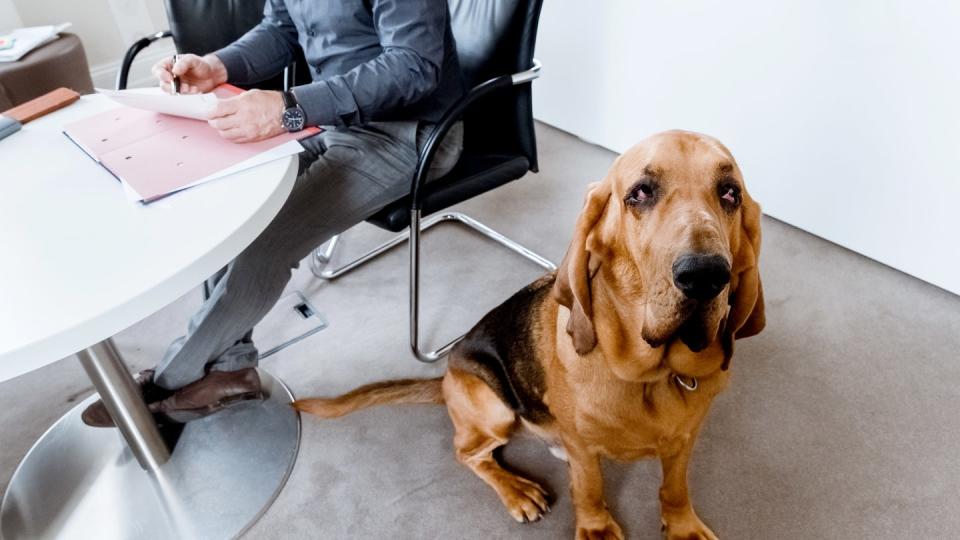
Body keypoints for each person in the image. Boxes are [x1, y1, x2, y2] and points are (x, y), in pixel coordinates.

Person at [82, 0, 466, 427]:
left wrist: (288, 107)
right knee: (232, 211)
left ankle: (170, 382)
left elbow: (412, 66)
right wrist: (216, 66)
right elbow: (280, 29)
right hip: (331, 119)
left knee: (264, 243)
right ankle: (231, 370)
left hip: (408, 133)